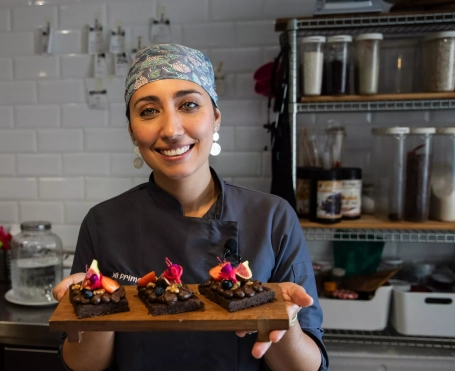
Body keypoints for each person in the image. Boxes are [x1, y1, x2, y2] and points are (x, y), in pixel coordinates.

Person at [52, 44, 328, 371]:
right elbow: (83, 365)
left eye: (189, 105)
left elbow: (307, 368)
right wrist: (92, 309)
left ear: (216, 119)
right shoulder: (103, 223)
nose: (171, 130)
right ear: (132, 131)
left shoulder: (272, 218)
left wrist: (281, 319)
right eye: (149, 111)